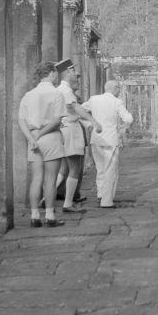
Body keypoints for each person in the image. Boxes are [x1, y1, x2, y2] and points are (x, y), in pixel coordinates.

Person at [18, 62, 66, 227]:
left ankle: (34, 216)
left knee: (36, 179)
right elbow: (56, 120)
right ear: (52, 73)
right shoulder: (56, 93)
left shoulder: (28, 95)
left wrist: (31, 138)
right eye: (56, 73)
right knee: (50, 180)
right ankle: (51, 216)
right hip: (50, 137)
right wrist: (41, 133)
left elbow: (21, 120)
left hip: (33, 138)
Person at [56, 67, 101, 213]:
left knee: (63, 168)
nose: (76, 74)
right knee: (74, 168)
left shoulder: (59, 89)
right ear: (67, 73)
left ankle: (46, 197)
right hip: (70, 129)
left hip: (64, 128)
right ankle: (68, 203)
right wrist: (93, 120)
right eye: (73, 70)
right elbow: (76, 108)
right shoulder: (66, 90)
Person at [82, 81, 133, 208]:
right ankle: (106, 201)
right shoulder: (117, 102)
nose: (119, 91)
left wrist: (89, 124)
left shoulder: (94, 99)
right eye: (118, 88)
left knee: (100, 168)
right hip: (110, 139)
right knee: (110, 170)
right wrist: (122, 128)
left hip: (96, 137)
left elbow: (79, 110)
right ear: (114, 88)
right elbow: (128, 119)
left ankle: (100, 194)